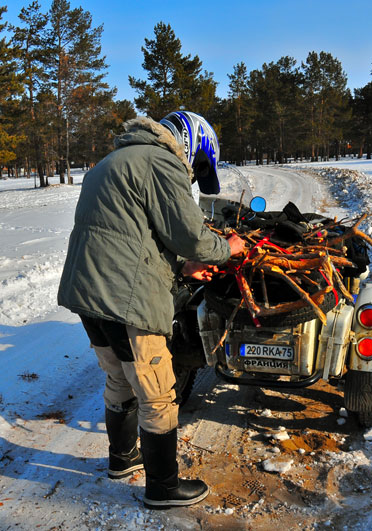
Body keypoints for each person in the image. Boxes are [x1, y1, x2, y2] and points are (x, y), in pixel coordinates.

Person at [57, 111, 245, 509]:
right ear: (193, 145)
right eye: (197, 167)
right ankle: (163, 487)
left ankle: (122, 459)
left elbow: (130, 234)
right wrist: (228, 249)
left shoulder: (112, 162)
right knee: (158, 393)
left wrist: (181, 267)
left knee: (120, 379)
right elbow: (191, 235)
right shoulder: (161, 161)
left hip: (87, 291)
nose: (192, 174)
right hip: (124, 297)